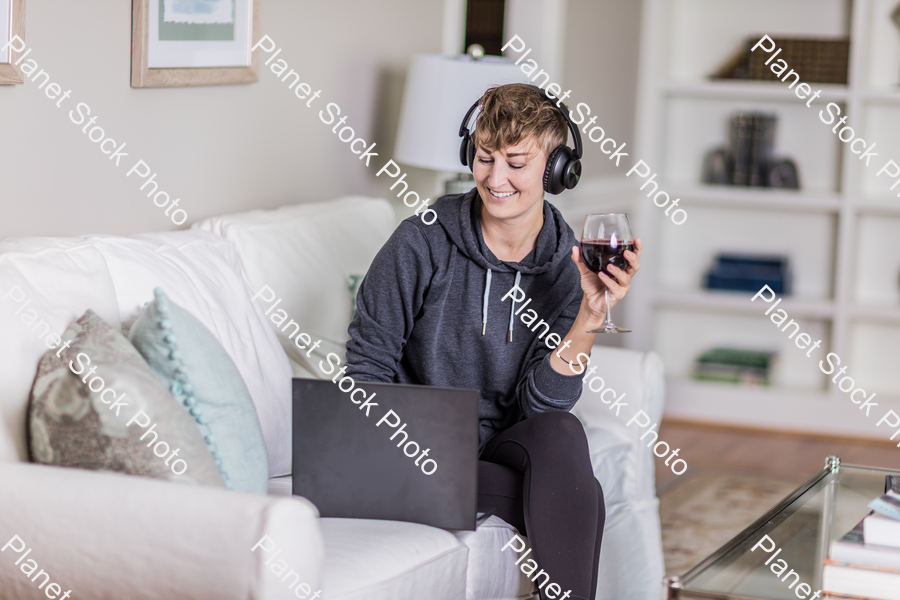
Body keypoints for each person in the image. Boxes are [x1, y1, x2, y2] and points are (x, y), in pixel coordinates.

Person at [345, 83, 641, 600]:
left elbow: (539, 406)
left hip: (502, 448)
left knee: (562, 434)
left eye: (516, 163)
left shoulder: (570, 263)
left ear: (556, 171)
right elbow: (367, 367)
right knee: (577, 495)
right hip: (416, 446)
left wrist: (590, 317)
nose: (495, 178)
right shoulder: (421, 241)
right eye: (484, 158)